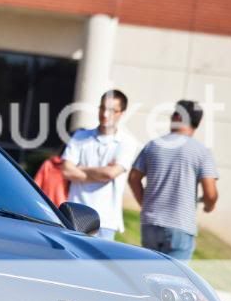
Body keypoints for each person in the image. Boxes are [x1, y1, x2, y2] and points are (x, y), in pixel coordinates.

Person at [128, 100, 219, 262]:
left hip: (150, 222)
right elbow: (210, 193)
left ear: (178, 116)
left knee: (148, 276)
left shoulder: (153, 145)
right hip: (180, 225)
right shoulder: (201, 151)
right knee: (174, 281)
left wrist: (146, 203)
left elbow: (133, 178)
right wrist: (208, 206)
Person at [61, 90, 138, 241]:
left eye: (112, 110)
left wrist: (81, 168)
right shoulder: (80, 136)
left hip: (105, 220)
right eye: (102, 108)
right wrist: (100, 173)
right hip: (75, 215)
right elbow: (66, 171)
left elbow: (110, 174)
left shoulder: (127, 142)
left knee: (99, 264)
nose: (105, 114)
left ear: (121, 113)